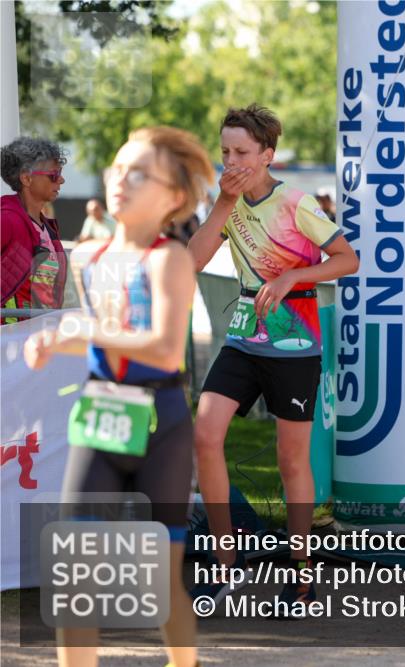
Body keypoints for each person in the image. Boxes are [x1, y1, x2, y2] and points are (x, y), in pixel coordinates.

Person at [22, 126, 214, 667]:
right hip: (100, 416)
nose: (119, 181)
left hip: (162, 424)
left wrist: (83, 333)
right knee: (75, 576)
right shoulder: (90, 256)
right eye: (116, 168)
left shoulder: (168, 260)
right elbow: (103, 327)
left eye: (138, 172)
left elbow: (163, 348)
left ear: (174, 197)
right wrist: (52, 342)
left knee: (159, 580)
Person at [186, 104, 359, 609]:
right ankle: (225, 564)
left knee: (290, 460)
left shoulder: (297, 203)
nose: (231, 161)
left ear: (267, 155)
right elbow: (194, 260)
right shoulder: (226, 200)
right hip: (243, 337)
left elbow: (348, 259)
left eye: (241, 152)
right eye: (224, 152)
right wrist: (221, 204)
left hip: (295, 344)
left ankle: (301, 569)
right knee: (205, 435)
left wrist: (291, 278)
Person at [1, 137, 69, 323]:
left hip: (36, 338)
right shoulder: (7, 220)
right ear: (27, 178)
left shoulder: (47, 227)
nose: (61, 180)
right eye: (53, 175)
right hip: (8, 342)